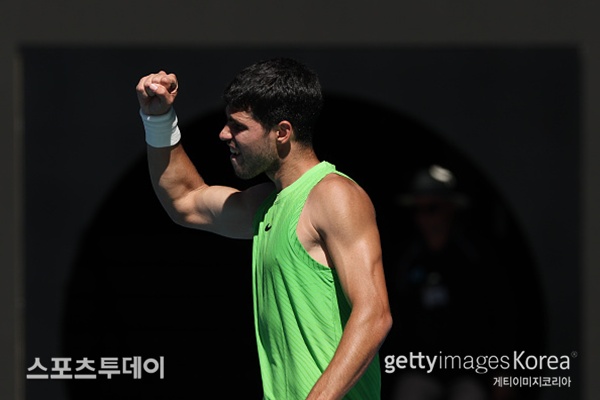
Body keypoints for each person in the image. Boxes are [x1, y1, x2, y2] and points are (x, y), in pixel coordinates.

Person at [135, 57, 393, 400]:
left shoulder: (334, 195)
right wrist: (159, 119)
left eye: (238, 126)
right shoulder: (267, 205)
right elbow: (184, 200)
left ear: (282, 132)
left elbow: (374, 315)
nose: (224, 134)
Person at [384, 164, 518, 400]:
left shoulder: (476, 257)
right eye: (418, 209)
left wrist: (502, 371)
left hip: (468, 370)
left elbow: (499, 317)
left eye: (432, 208)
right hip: (418, 368)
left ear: (450, 208)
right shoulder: (405, 259)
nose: (425, 217)